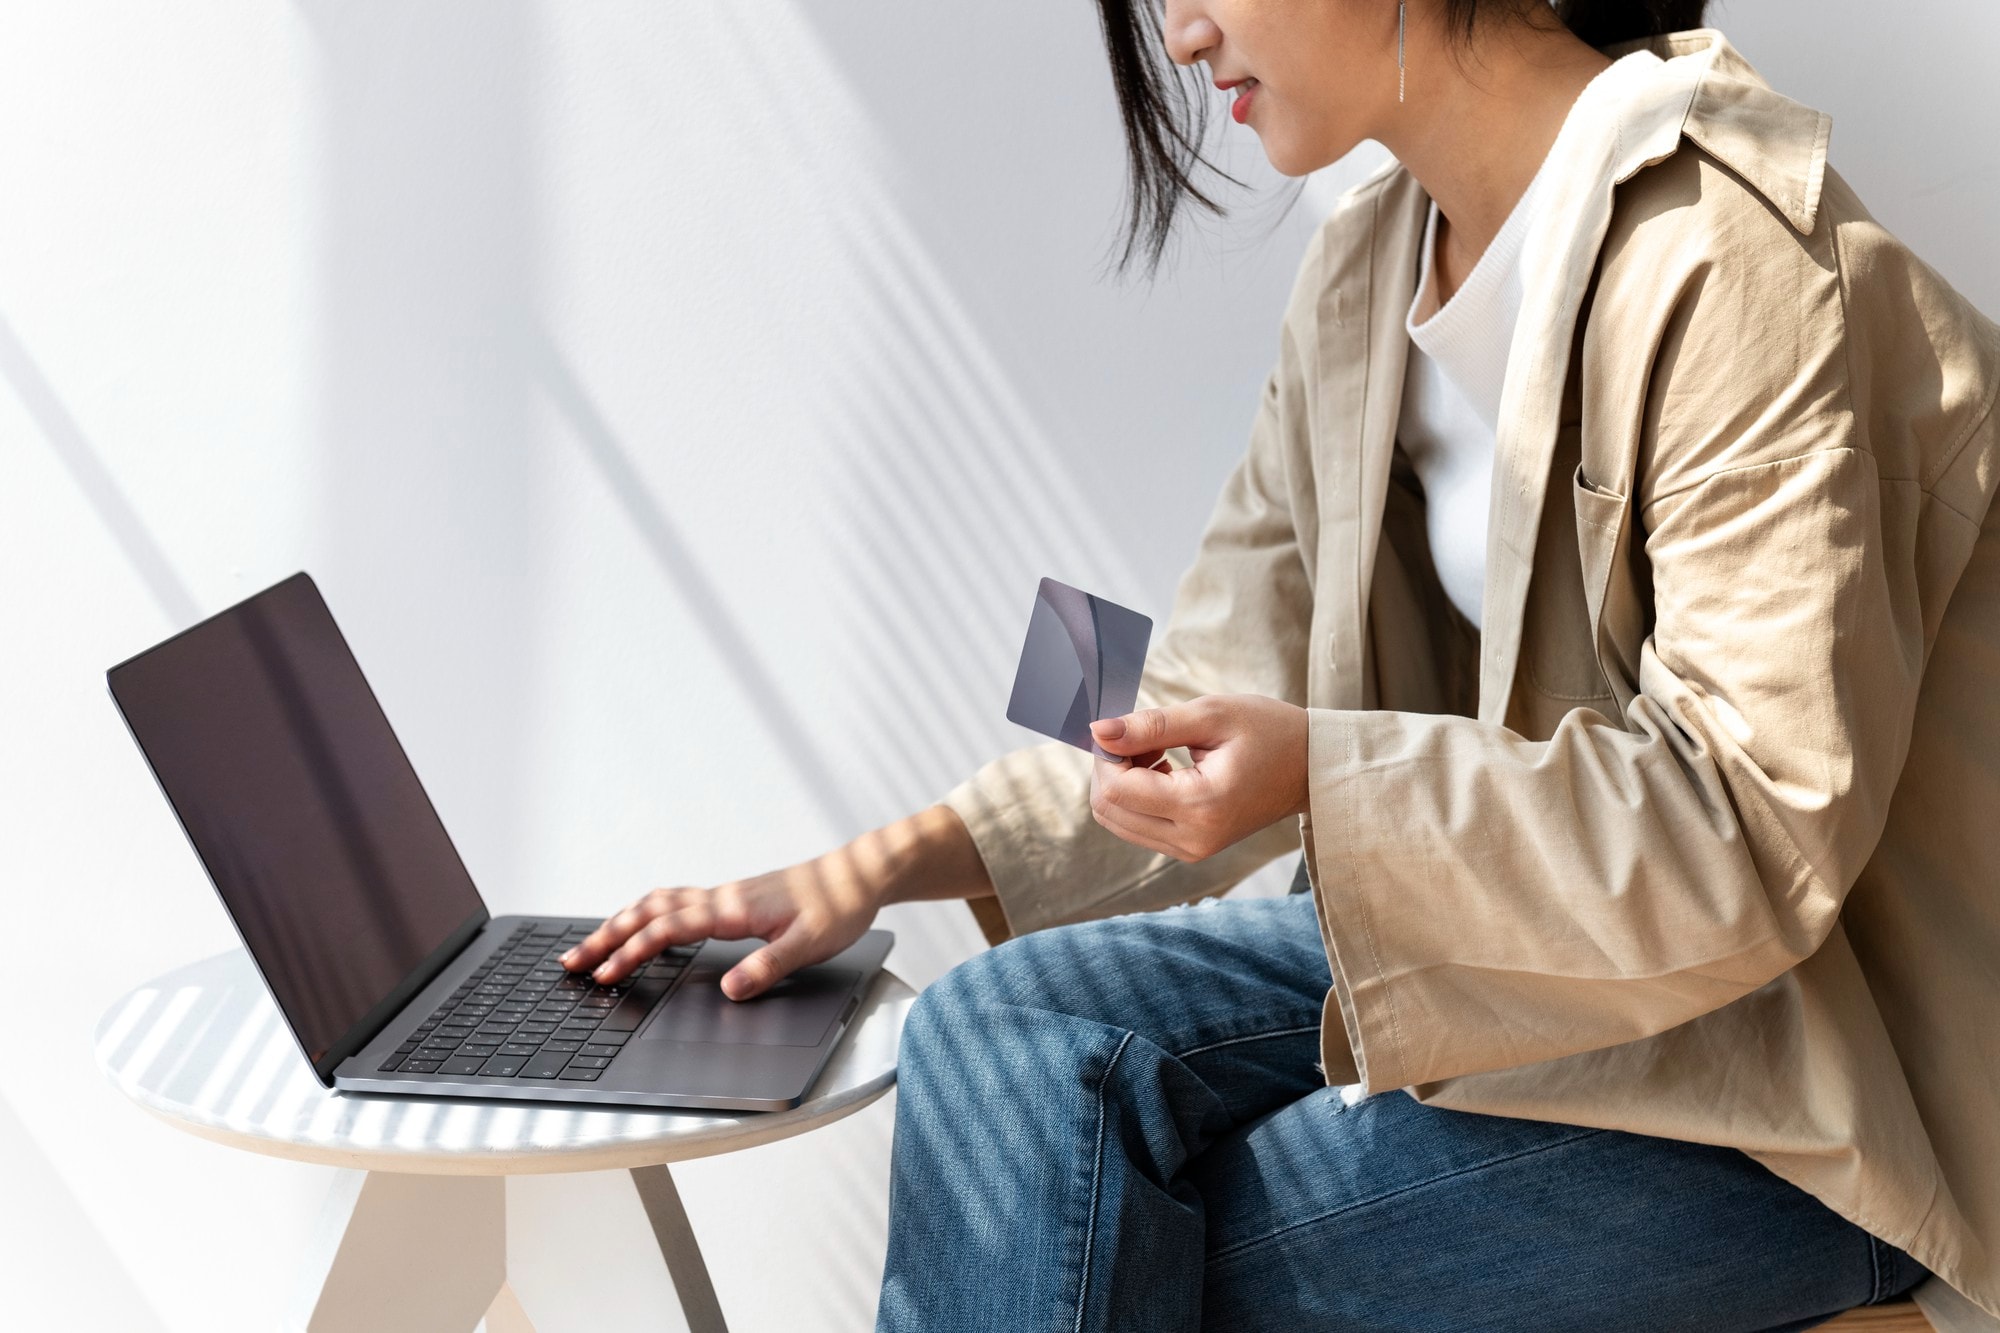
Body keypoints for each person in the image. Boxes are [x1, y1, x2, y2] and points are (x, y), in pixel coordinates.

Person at [564, 2, 2000, 1328]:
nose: (1182, 35)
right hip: (1538, 992)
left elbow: (1745, 833)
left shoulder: (1727, 254)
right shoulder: (1369, 267)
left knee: (1096, 1225)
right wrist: (870, 868)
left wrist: (1324, 766)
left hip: (1800, 1090)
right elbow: (1200, 682)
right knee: (989, 1033)